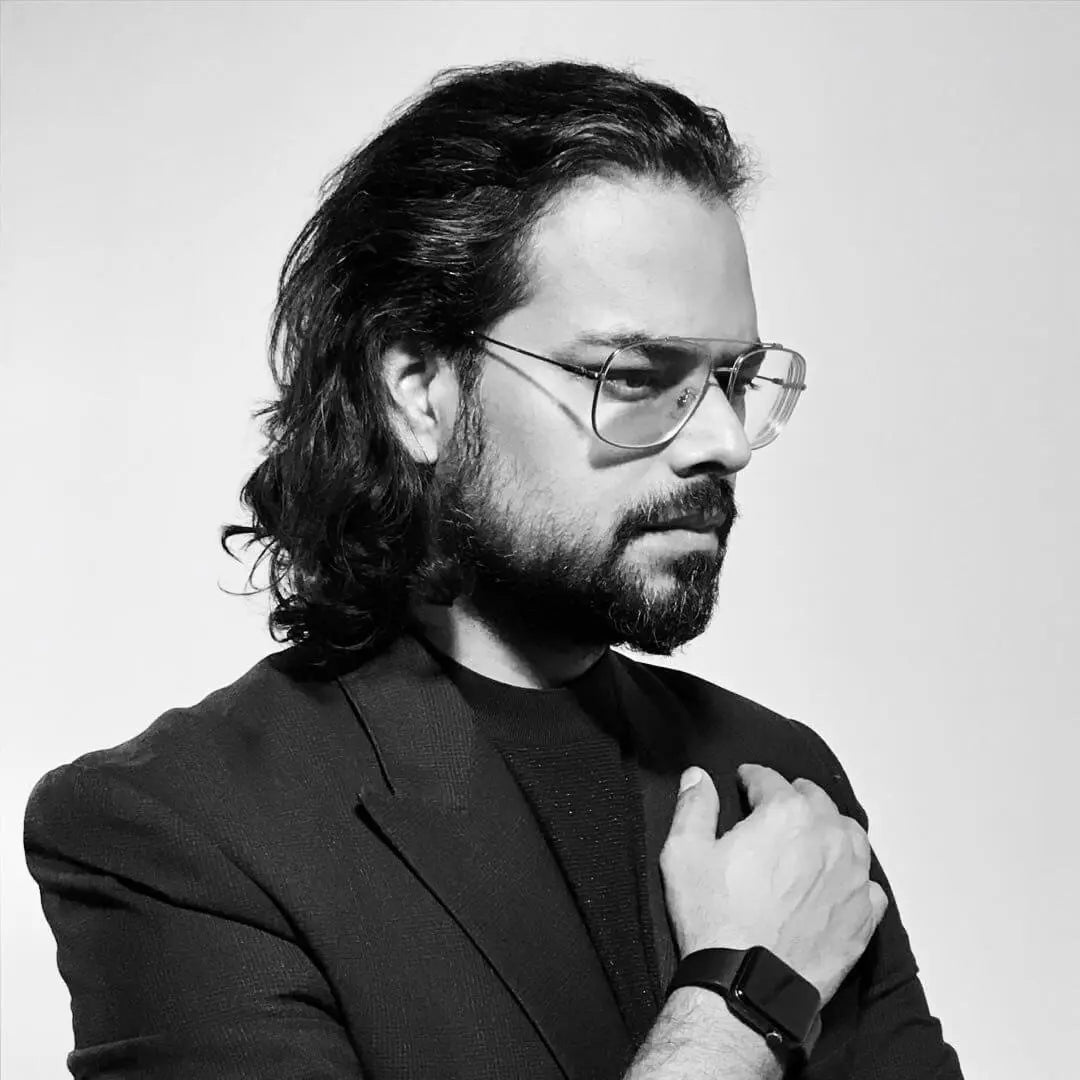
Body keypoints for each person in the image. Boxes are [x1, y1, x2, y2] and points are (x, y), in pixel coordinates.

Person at [24, 61, 964, 1080]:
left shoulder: (779, 783)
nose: (724, 443)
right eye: (636, 377)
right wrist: (740, 1004)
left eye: (732, 380)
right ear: (420, 393)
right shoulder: (180, 830)